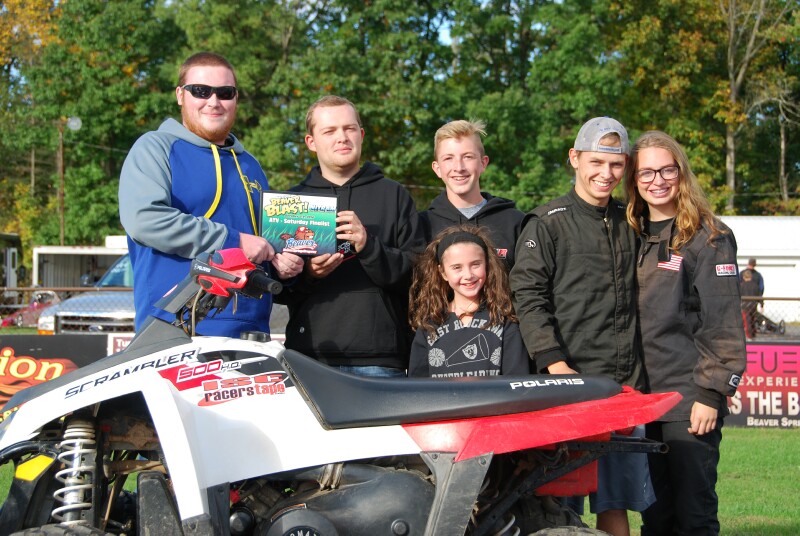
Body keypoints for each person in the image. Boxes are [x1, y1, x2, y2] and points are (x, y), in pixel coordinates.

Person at [509, 117, 650, 536]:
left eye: (616, 164)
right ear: (574, 158)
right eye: (596, 162)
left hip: (623, 389)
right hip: (565, 390)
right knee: (558, 509)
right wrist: (554, 363)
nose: (606, 173)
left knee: (616, 505)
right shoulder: (546, 222)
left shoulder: (632, 221)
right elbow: (527, 297)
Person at [119, 52, 303, 336]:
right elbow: (145, 220)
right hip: (177, 329)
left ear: (236, 98)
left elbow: (262, 244)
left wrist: (282, 264)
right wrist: (234, 241)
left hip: (252, 333)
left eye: (225, 93)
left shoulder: (250, 164)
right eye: (201, 91)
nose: (214, 101)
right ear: (180, 95)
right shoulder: (154, 148)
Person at [624, 130, 746, 536]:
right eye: (646, 172)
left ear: (682, 172)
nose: (657, 180)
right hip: (641, 400)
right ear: (634, 179)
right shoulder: (629, 233)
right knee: (655, 517)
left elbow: (723, 320)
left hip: (689, 398)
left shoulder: (708, 236)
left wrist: (711, 393)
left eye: (666, 170)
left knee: (693, 515)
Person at [275, 95, 425, 377]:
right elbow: (277, 290)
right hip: (309, 357)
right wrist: (308, 274)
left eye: (349, 128)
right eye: (329, 131)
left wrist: (369, 246)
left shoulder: (393, 195)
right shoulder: (292, 202)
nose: (341, 137)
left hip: (381, 359)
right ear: (311, 142)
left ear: (361, 135)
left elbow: (419, 276)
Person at [408, 225, 529, 377]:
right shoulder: (429, 325)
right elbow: (417, 385)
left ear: (487, 265)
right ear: (442, 272)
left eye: (475, 264)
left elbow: (516, 381)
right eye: (457, 267)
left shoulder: (505, 321)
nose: (468, 275)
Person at [420, 120, 524, 269]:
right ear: (437, 168)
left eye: (467, 157)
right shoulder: (421, 226)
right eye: (448, 158)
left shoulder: (515, 223)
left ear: (483, 163)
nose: (459, 167)